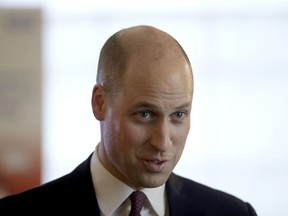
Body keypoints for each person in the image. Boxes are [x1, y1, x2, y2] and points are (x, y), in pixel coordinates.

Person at [0, 25, 257, 216]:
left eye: (179, 115)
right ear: (100, 103)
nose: (163, 142)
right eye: (145, 114)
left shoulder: (232, 213)